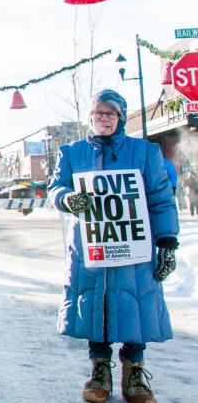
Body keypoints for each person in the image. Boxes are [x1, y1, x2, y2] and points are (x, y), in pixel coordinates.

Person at [48, 89, 178, 403]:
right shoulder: (72, 152)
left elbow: (161, 199)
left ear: (120, 118)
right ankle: (99, 372)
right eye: (98, 113)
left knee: (136, 304)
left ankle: (134, 374)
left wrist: (168, 242)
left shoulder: (145, 152)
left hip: (135, 246)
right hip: (92, 246)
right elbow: (56, 187)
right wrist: (67, 198)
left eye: (110, 114)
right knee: (97, 307)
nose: (103, 119)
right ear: (90, 117)